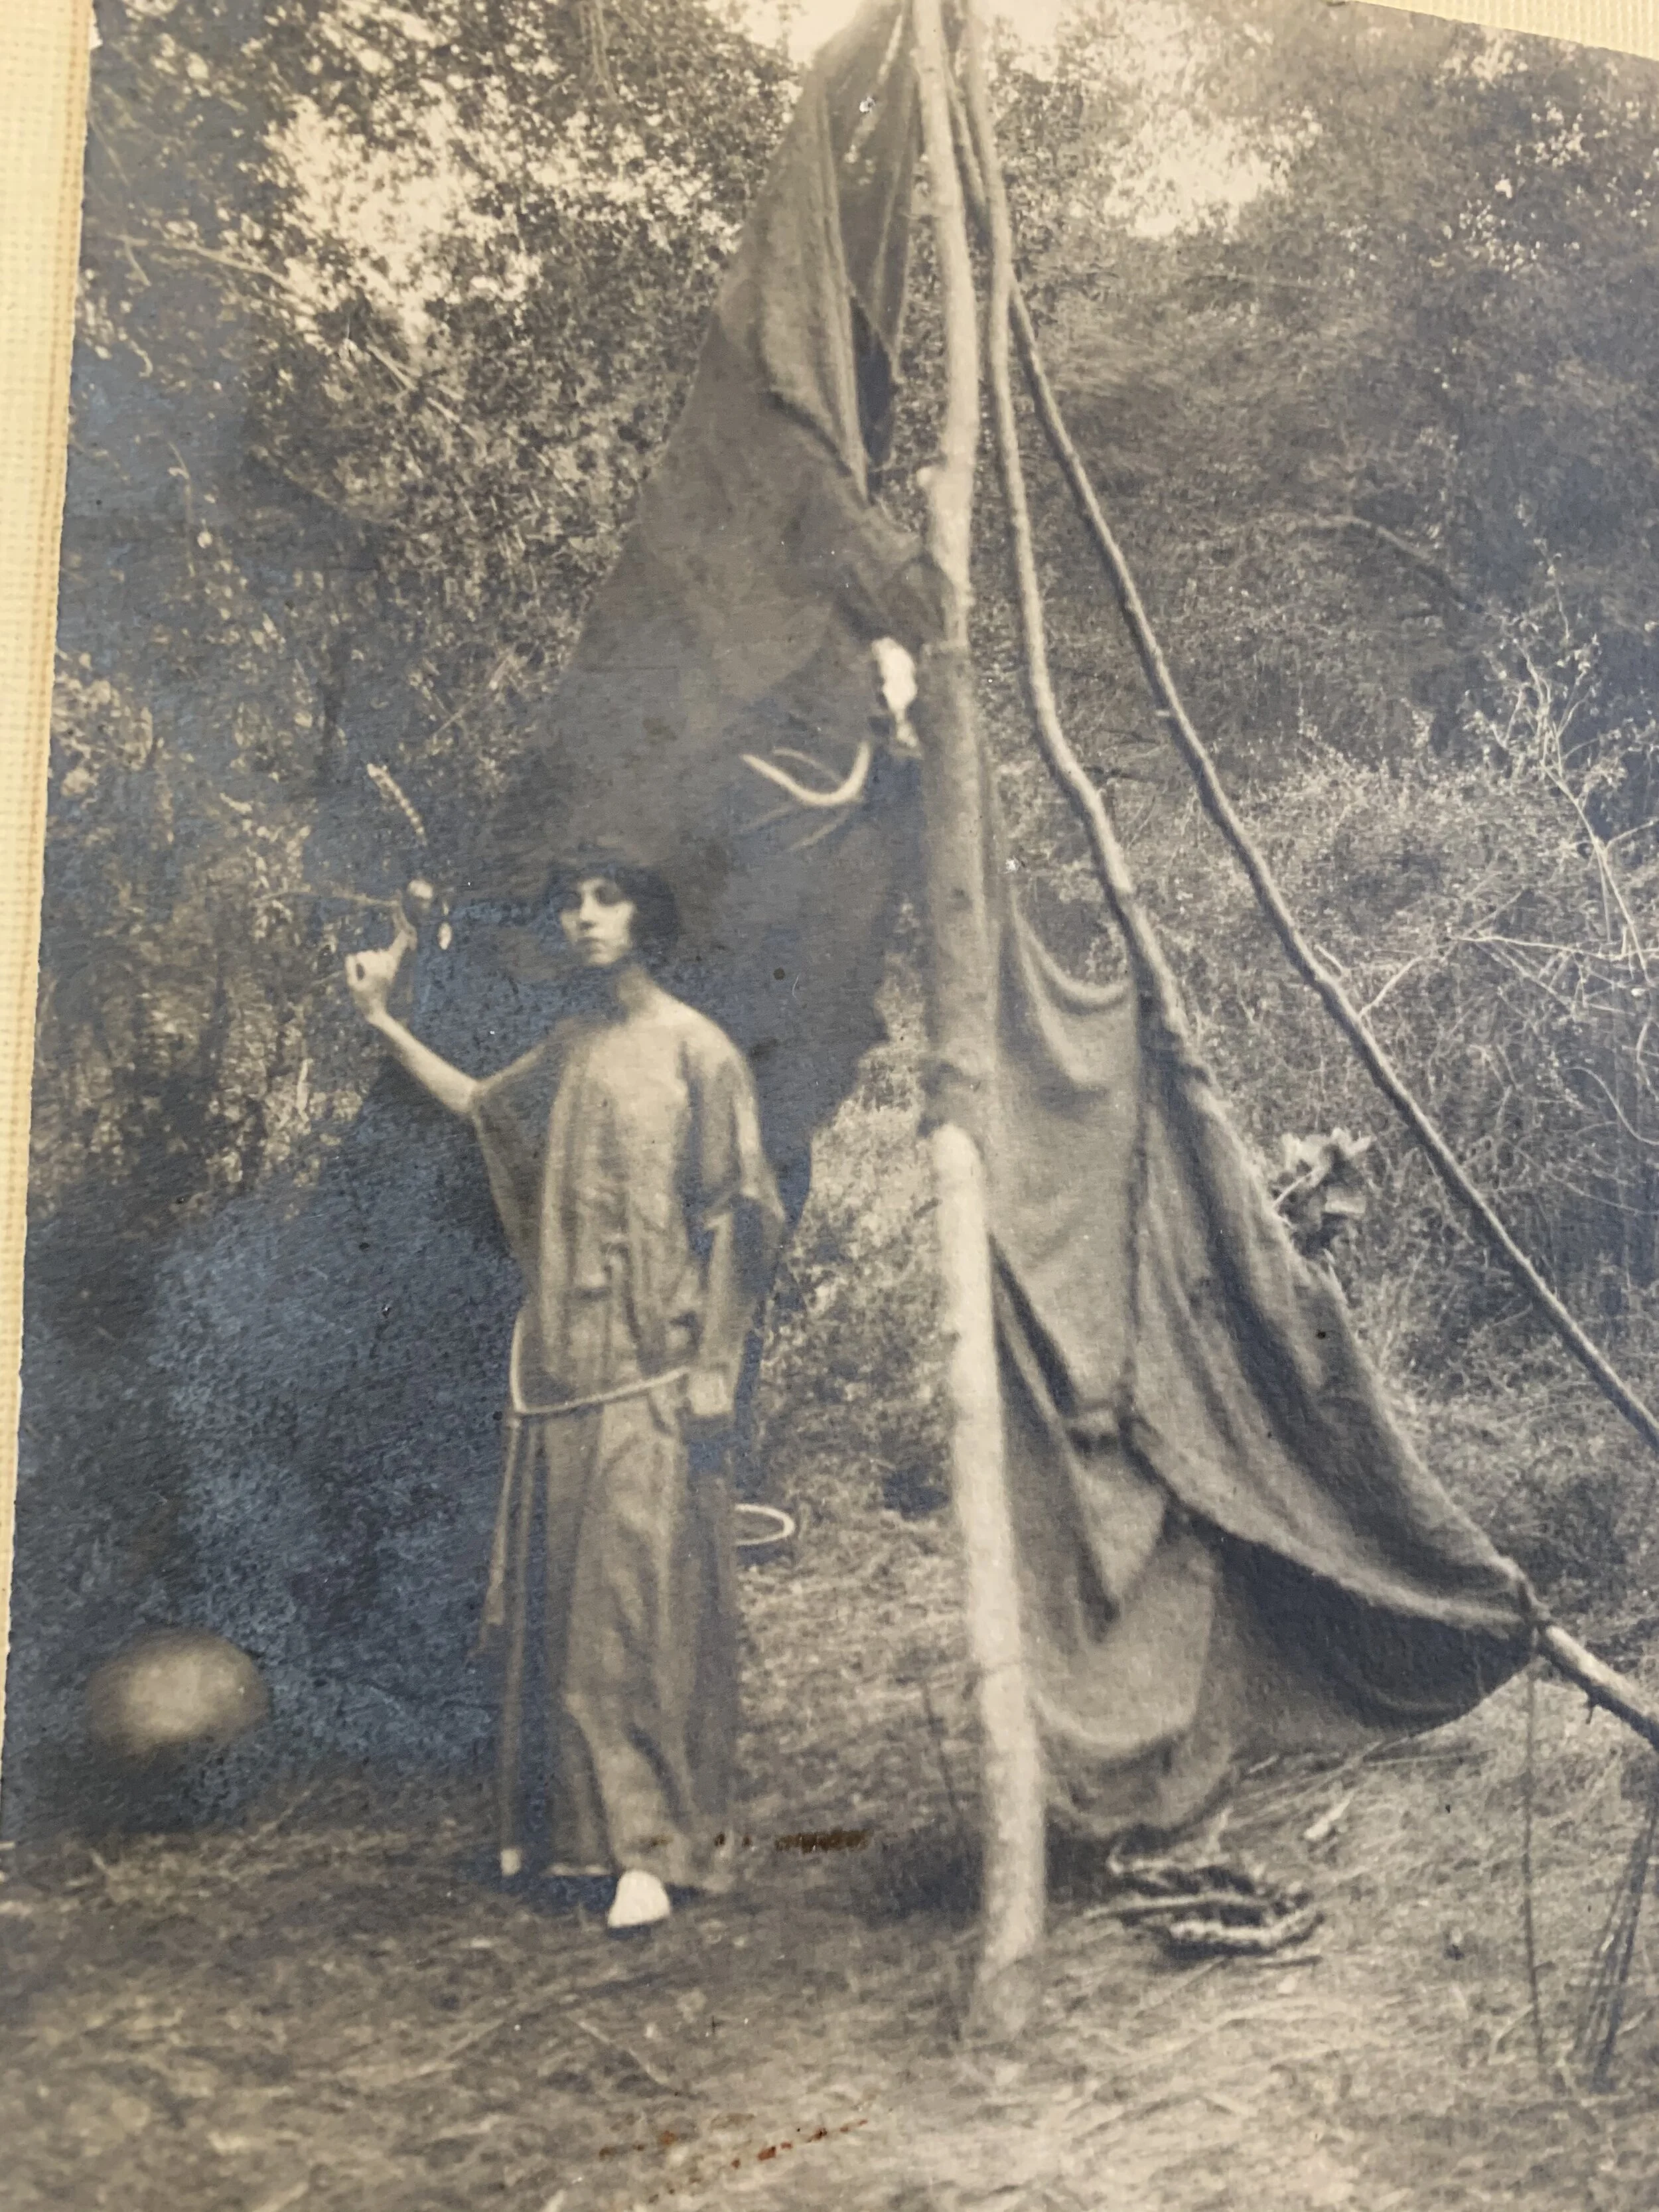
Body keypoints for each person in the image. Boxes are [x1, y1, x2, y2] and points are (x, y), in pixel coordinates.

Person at [345, 856, 784, 1930]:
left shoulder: (700, 1050)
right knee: (562, 1605)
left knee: (634, 1607)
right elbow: (481, 1109)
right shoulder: (572, 1047)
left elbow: (742, 1212)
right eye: (572, 902)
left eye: (609, 897)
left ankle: (650, 1853)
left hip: (659, 1370)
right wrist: (382, 1021)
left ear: (648, 914)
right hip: (562, 1368)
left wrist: (718, 1366)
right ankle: (559, 1837)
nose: (586, 918)